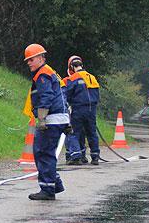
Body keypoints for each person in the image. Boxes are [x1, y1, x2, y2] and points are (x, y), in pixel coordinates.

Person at [24, 43, 69, 201]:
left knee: (43, 153)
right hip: (59, 118)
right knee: (47, 153)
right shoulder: (51, 72)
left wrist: (41, 118)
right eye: (27, 60)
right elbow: (62, 94)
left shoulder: (42, 74)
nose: (29, 62)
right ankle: (54, 185)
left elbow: (47, 96)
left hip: (51, 120)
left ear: (41, 58)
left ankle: (48, 189)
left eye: (31, 59)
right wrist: (67, 120)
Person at [62, 55, 101, 166]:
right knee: (91, 133)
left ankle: (76, 156)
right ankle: (95, 157)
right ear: (81, 65)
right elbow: (97, 95)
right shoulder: (92, 77)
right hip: (92, 110)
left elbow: (66, 93)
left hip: (78, 109)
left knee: (74, 132)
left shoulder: (73, 78)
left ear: (72, 67)